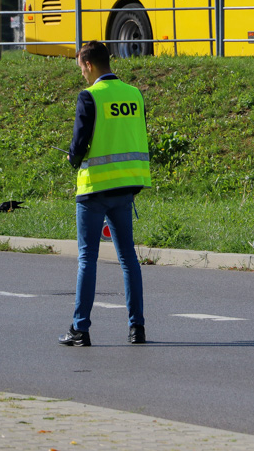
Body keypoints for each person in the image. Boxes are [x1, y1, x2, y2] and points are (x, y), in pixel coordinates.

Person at [58, 41, 152, 347]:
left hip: (95, 188)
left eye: (81, 69)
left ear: (88, 65)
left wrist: (72, 159)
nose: (82, 75)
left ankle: (79, 329)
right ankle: (136, 327)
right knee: (128, 258)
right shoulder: (133, 94)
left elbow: (80, 143)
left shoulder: (90, 97)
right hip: (126, 186)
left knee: (88, 258)